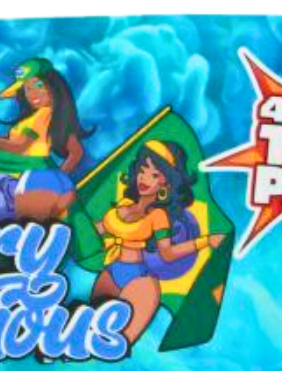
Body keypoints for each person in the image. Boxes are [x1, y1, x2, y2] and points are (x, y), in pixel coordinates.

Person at [92, 140, 225, 346]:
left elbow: (168, 254)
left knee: (119, 343)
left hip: (140, 280)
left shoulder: (158, 216)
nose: (144, 178)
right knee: (91, 331)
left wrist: (206, 241)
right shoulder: (124, 205)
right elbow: (94, 231)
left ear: (167, 183)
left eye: (155, 175)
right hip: (110, 272)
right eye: (142, 170)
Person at [0, 57, 91, 222]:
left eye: (39, 85)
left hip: (28, 170)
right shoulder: (51, 116)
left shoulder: (42, 116)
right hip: (37, 171)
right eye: (27, 89)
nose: (33, 94)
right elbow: (76, 151)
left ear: (54, 86)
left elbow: (19, 148)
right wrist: (58, 179)